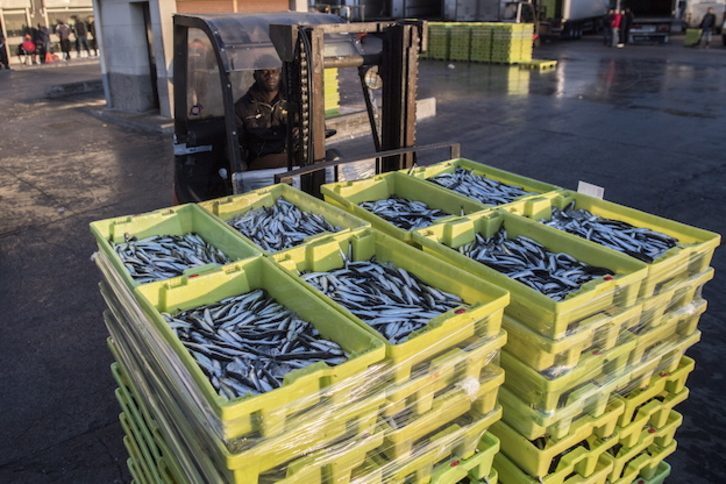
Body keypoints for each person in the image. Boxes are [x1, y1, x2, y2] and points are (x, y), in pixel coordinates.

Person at [234, 62, 292, 178]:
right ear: (255, 76)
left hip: (292, 153)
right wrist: (239, 162)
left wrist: (300, 130)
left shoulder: (293, 100)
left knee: (329, 157)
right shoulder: (243, 106)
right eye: (264, 72)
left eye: (274, 72)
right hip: (261, 160)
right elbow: (235, 141)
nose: (270, 76)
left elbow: (315, 125)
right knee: (287, 162)